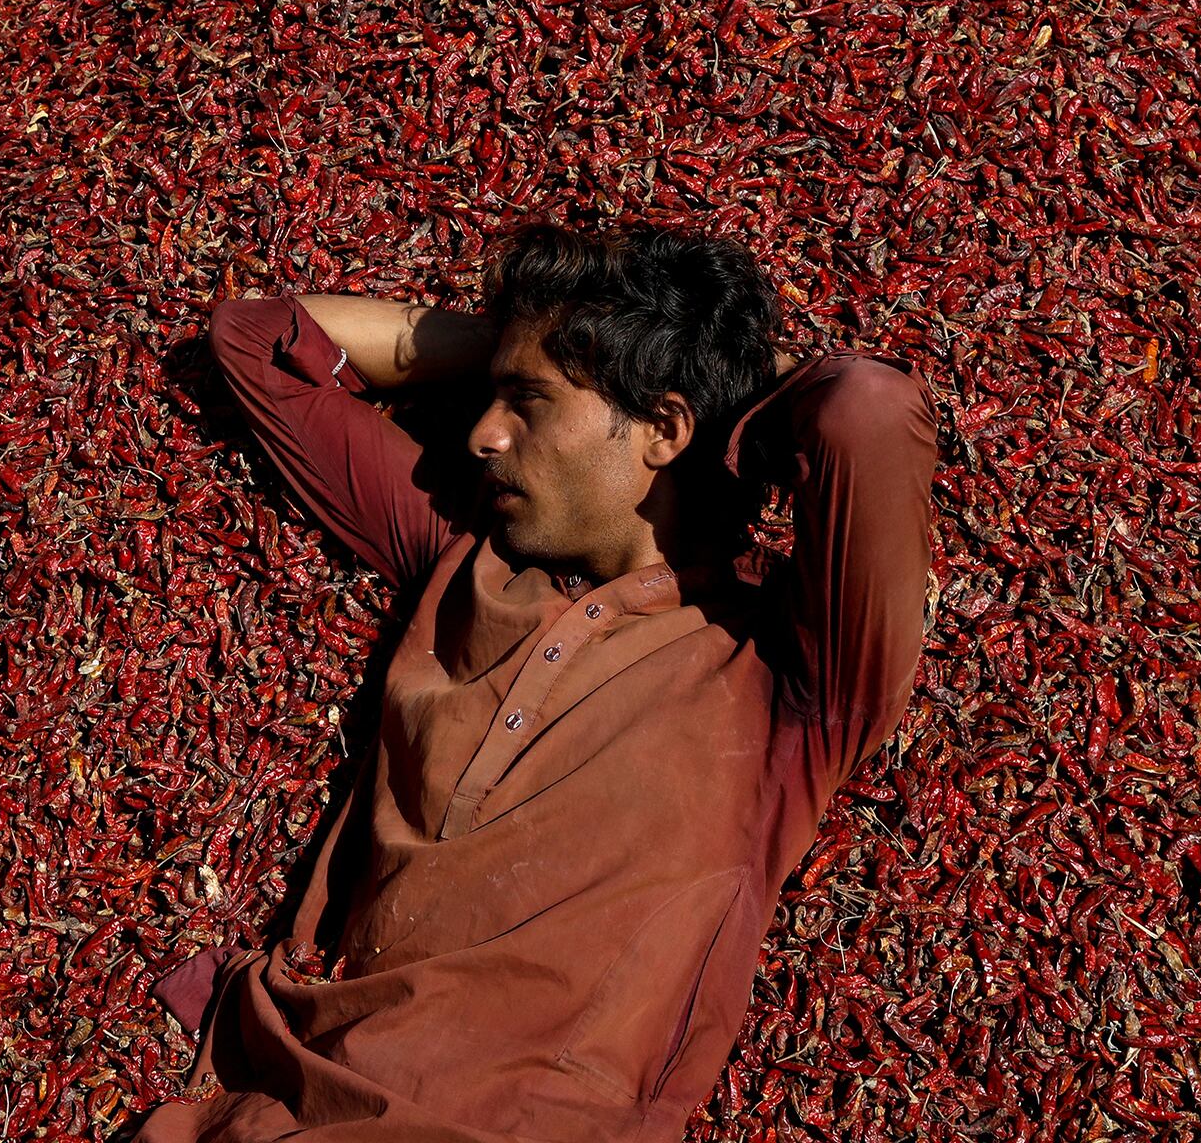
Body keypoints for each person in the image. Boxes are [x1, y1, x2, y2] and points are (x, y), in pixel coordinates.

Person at [130, 221, 940, 1143]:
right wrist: (529, 342)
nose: (482, 433)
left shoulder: (794, 678)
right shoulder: (460, 561)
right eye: (488, 398)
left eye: (527, 401)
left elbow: (868, 410)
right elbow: (255, 337)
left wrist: (699, 377)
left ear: (666, 428)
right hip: (263, 1117)